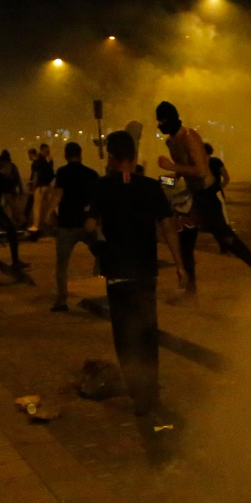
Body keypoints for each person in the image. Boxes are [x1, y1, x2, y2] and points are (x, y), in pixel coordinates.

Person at [85, 130, 186, 418]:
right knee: (146, 334)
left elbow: (90, 226)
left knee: (125, 337)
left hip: (117, 275)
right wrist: (179, 265)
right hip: (145, 275)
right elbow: (168, 225)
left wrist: (98, 247)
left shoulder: (101, 186)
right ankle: (150, 393)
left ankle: (137, 393)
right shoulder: (150, 186)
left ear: (112, 157)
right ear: (134, 155)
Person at [156, 101, 251, 293]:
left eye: (163, 121)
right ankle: (191, 293)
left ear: (172, 119)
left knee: (226, 239)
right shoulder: (171, 142)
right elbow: (182, 174)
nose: (161, 125)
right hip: (192, 198)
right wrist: (165, 181)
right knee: (186, 244)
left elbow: (200, 171)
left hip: (207, 195)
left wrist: (171, 167)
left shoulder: (190, 137)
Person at [52, 142, 100, 312]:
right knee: (103, 252)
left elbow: (58, 195)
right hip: (87, 224)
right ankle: (105, 281)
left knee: (62, 265)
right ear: (81, 154)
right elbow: (98, 199)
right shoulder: (91, 174)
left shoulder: (62, 173)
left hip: (67, 225)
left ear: (66, 155)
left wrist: (47, 215)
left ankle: (62, 299)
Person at [27, 143, 55, 238]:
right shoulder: (49, 161)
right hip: (48, 186)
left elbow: (36, 176)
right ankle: (55, 222)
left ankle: (36, 225)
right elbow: (52, 174)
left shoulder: (37, 162)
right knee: (52, 204)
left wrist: (33, 187)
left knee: (36, 207)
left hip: (40, 187)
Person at [21, 148, 38, 228]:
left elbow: (35, 176)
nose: (29, 157)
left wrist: (32, 188)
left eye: (29, 155)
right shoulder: (38, 163)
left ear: (32, 154)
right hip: (37, 189)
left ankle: (26, 224)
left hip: (34, 189)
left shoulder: (35, 164)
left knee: (28, 208)